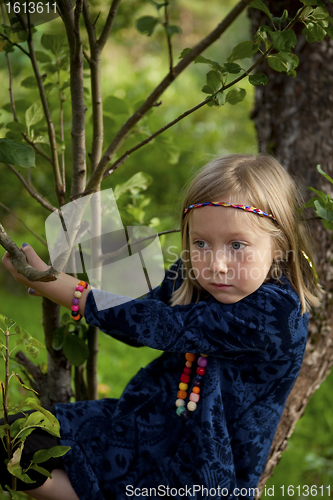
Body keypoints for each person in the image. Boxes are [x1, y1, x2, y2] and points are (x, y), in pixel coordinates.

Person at [1, 154, 320, 500]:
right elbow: (138, 322)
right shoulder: (191, 277)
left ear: (279, 246)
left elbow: (161, 325)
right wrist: (61, 282)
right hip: (140, 426)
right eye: (200, 243)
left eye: (237, 245)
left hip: (200, 471)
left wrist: (61, 287)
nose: (217, 264)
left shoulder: (278, 311)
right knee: (13, 438)